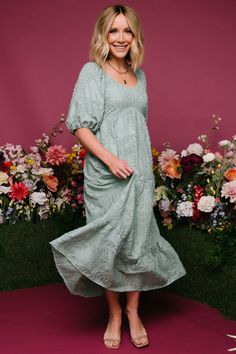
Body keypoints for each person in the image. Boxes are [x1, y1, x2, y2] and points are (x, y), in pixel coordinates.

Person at [49, 3, 187, 350]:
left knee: (137, 241)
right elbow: (80, 126)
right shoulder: (92, 72)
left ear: (135, 36)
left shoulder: (139, 75)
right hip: (107, 175)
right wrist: (111, 160)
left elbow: (138, 124)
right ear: (103, 34)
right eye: (114, 30)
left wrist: (141, 164)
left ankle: (134, 311)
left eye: (127, 30)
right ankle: (113, 314)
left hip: (139, 174)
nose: (121, 37)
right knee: (109, 247)